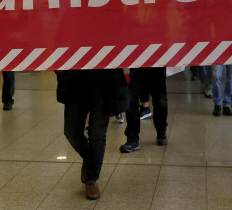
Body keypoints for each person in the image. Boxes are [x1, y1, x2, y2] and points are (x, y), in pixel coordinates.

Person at [58, 69, 129, 199]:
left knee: (97, 135)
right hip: (75, 80)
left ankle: (92, 179)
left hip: (104, 82)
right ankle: (89, 158)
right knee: (71, 132)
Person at [119, 66, 168, 152]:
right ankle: (132, 139)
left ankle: (161, 132)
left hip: (157, 64)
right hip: (137, 65)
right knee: (131, 101)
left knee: (160, 101)